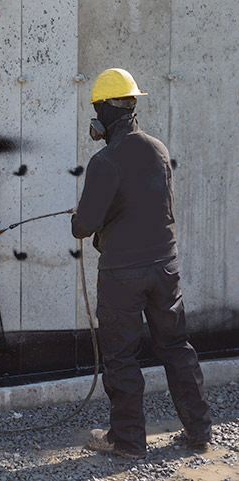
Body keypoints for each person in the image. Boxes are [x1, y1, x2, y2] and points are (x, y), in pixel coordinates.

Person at [71, 68, 211, 459]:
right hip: (166, 268)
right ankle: (199, 432)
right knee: (176, 347)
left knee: (121, 357)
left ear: (103, 110)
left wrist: (78, 219)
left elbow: (84, 226)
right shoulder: (159, 150)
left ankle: (128, 442)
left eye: (96, 110)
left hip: (123, 275)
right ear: (133, 105)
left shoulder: (105, 161)